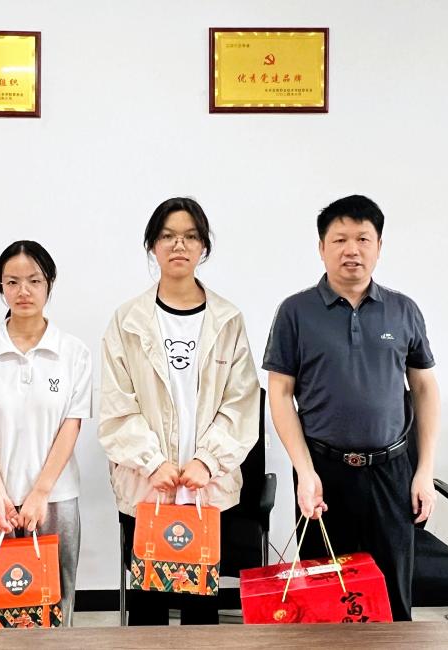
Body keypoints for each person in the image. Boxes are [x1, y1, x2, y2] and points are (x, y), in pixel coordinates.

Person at [263, 194, 440, 621]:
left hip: (391, 471)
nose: (352, 250)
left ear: (379, 246)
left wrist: (425, 471)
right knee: (324, 597)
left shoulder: (403, 310)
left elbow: (424, 387)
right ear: (321, 247)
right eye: (339, 239)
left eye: (363, 239)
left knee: (392, 595)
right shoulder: (296, 312)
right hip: (324, 472)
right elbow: (280, 394)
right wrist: (304, 471)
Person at [99, 197, 259, 625]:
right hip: (146, 485)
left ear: (203, 246)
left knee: (201, 615)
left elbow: (242, 402)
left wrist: (208, 461)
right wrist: (152, 462)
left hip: (207, 487)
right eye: (168, 236)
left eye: (190, 236)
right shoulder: (127, 320)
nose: (178, 245)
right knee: (147, 612)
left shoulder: (227, 319)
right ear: (152, 245)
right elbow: (117, 405)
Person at [0, 240, 92, 626]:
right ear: (0, 286)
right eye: (12, 282)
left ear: (49, 284)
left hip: (55, 498)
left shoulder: (73, 352)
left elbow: (71, 425)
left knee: (56, 605)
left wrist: (40, 493)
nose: (23, 291)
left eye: (34, 280)